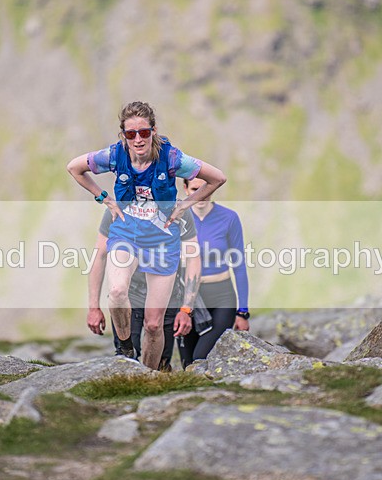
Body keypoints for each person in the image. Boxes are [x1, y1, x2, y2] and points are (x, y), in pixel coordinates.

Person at [67, 101, 226, 369]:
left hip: (163, 242)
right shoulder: (115, 156)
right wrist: (104, 198)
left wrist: (185, 204)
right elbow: (74, 167)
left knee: (154, 325)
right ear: (123, 135)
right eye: (131, 134)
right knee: (117, 291)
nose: (138, 139)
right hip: (126, 233)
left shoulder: (173, 159)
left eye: (144, 132)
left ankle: (147, 377)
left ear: (153, 131)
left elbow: (217, 178)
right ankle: (127, 349)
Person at [86, 207, 202, 371]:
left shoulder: (179, 210)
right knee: (125, 357)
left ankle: (150, 385)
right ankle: (129, 389)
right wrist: (93, 307)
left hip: (167, 298)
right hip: (131, 297)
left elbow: (193, 258)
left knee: (161, 362)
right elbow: (99, 256)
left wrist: (186, 308)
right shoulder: (119, 207)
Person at [178, 178, 249, 369]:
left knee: (201, 357)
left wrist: (243, 312)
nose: (201, 194)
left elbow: (239, 266)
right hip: (188, 299)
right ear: (185, 189)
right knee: (187, 363)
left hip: (221, 296)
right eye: (194, 189)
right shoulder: (177, 217)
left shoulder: (229, 218)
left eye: (205, 189)